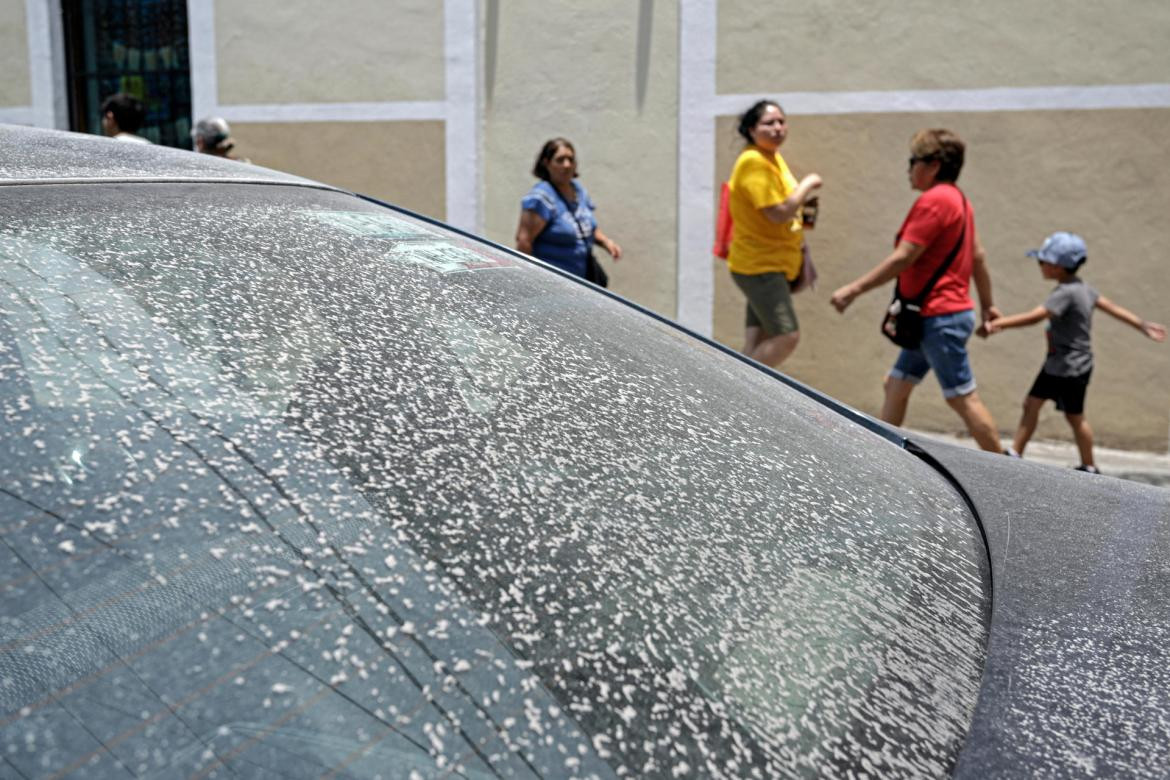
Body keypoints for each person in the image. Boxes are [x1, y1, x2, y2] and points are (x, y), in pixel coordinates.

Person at [830, 128, 1004, 453]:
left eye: (913, 161)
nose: (908, 169)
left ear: (933, 165)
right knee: (895, 385)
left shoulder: (935, 201)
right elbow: (978, 257)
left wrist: (853, 290)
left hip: (939, 317)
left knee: (963, 398)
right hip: (933, 316)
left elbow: (904, 257)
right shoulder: (960, 201)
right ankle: (885, 457)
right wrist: (988, 305)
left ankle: (1011, 474)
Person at [982, 231, 1166, 472]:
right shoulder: (1083, 288)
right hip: (1063, 363)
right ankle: (1017, 452)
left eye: (1042, 261)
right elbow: (1112, 307)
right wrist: (1142, 325)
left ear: (1058, 267)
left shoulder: (1065, 293)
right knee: (1033, 403)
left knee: (1074, 416)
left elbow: (1035, 318)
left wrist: (998, 324)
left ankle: (1089, 466)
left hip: (1069, 366)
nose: (1039, 266)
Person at [725, 100, 822, 369]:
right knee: (787, 336)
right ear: (752, 130)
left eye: (781, 121)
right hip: (761, 265)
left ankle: (734, 395)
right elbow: (778, 212)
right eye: (769, 123)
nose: (778, 128)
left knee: (756, 342)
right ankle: (739, 388)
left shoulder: (770, 158)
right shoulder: (754, 162)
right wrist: (807, 185)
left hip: (771, 263)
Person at [515, 138, 622, 285]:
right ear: (546, 163)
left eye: (570, 159)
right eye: (560, 160)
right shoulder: (541, 198)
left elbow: (588, 226)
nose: (567, 165)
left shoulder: (578, 191)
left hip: (581, 281)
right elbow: (524, 241)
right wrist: (528, 281)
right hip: (552, 284)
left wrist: (606, 242)